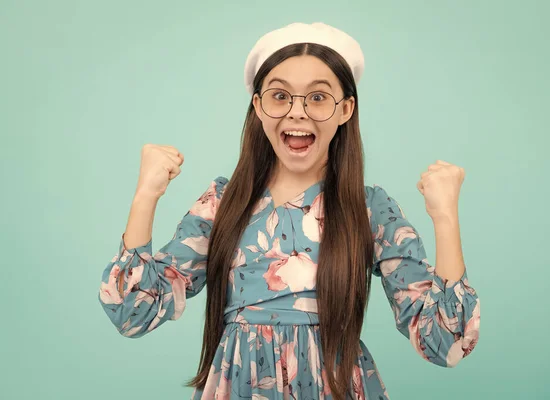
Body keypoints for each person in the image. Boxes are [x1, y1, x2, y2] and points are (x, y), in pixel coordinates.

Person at [98, 22, 480, 400]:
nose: (297, 112)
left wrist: (445, 219)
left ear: (346, 109)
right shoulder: (221, 204)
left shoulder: (369, 210)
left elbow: (444, 342)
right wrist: (145, 197)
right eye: (280, 96)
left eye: (317, 97)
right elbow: (134, 312)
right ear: (258, 106)